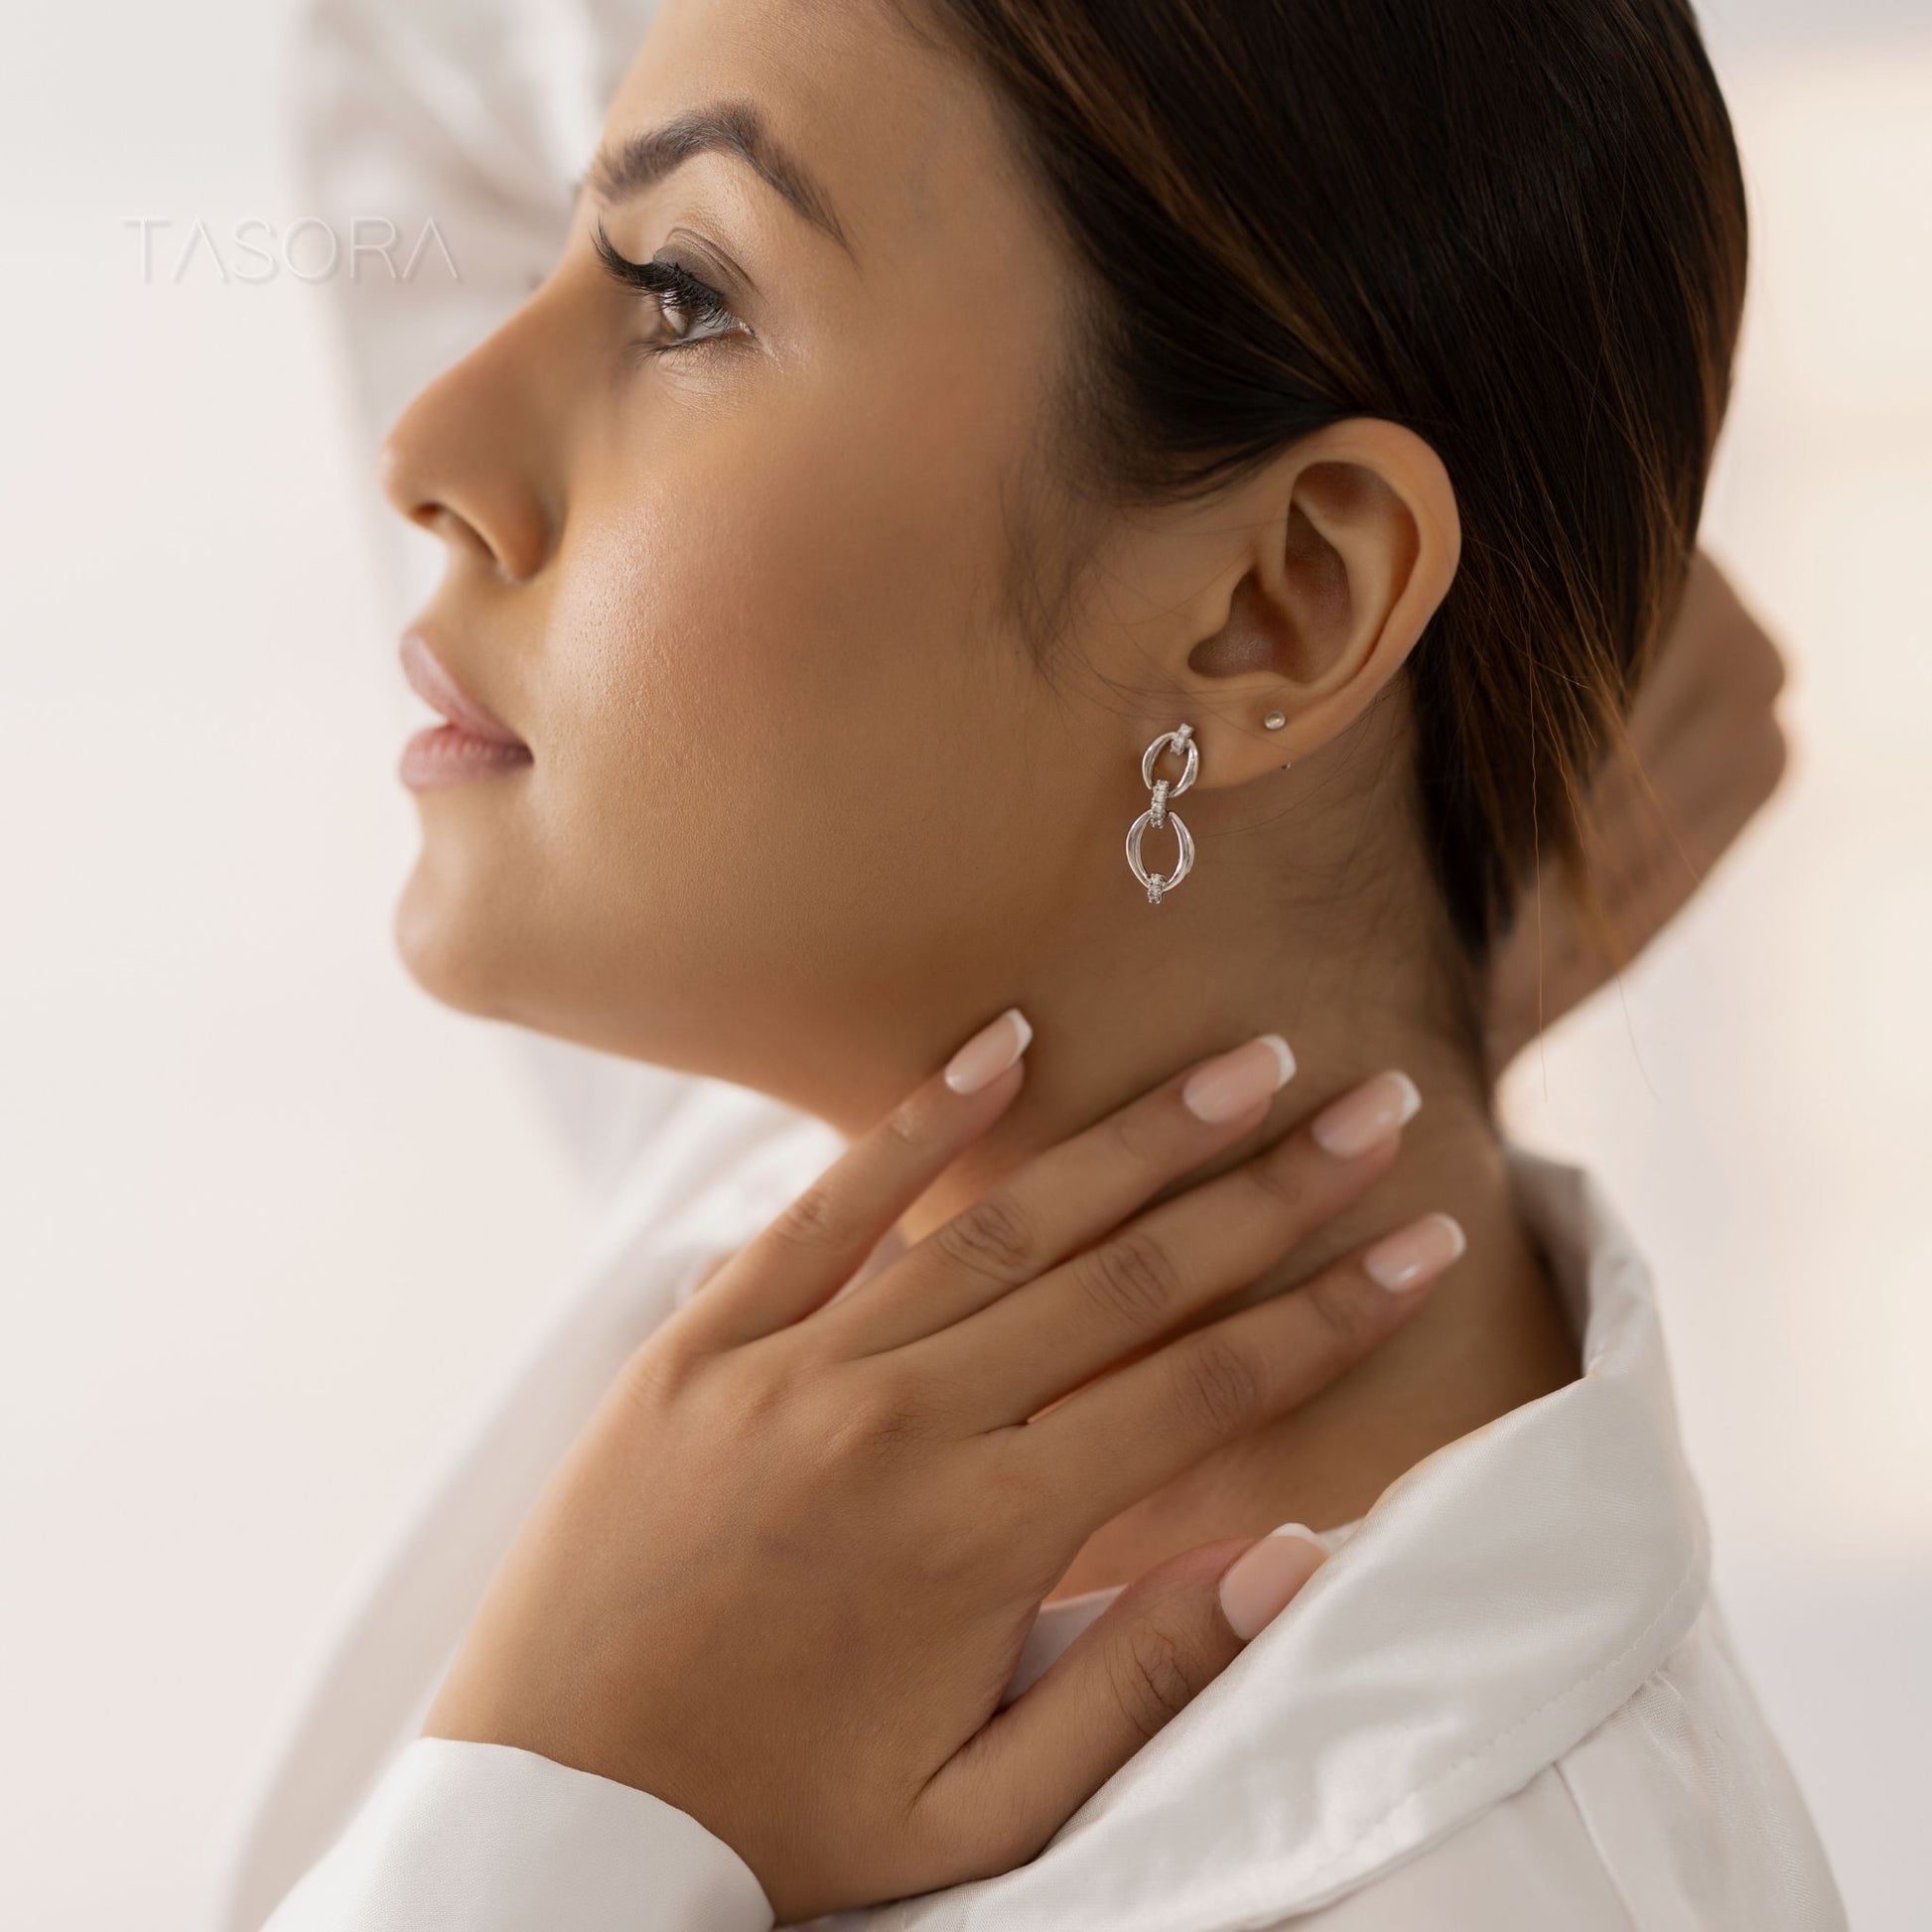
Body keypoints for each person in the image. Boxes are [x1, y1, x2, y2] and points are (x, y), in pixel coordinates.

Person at [212, 0, 1838, 1925]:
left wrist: (569, 1801)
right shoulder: (878, 1250)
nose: (426, 448)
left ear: (1279, 598)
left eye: (682, 298)